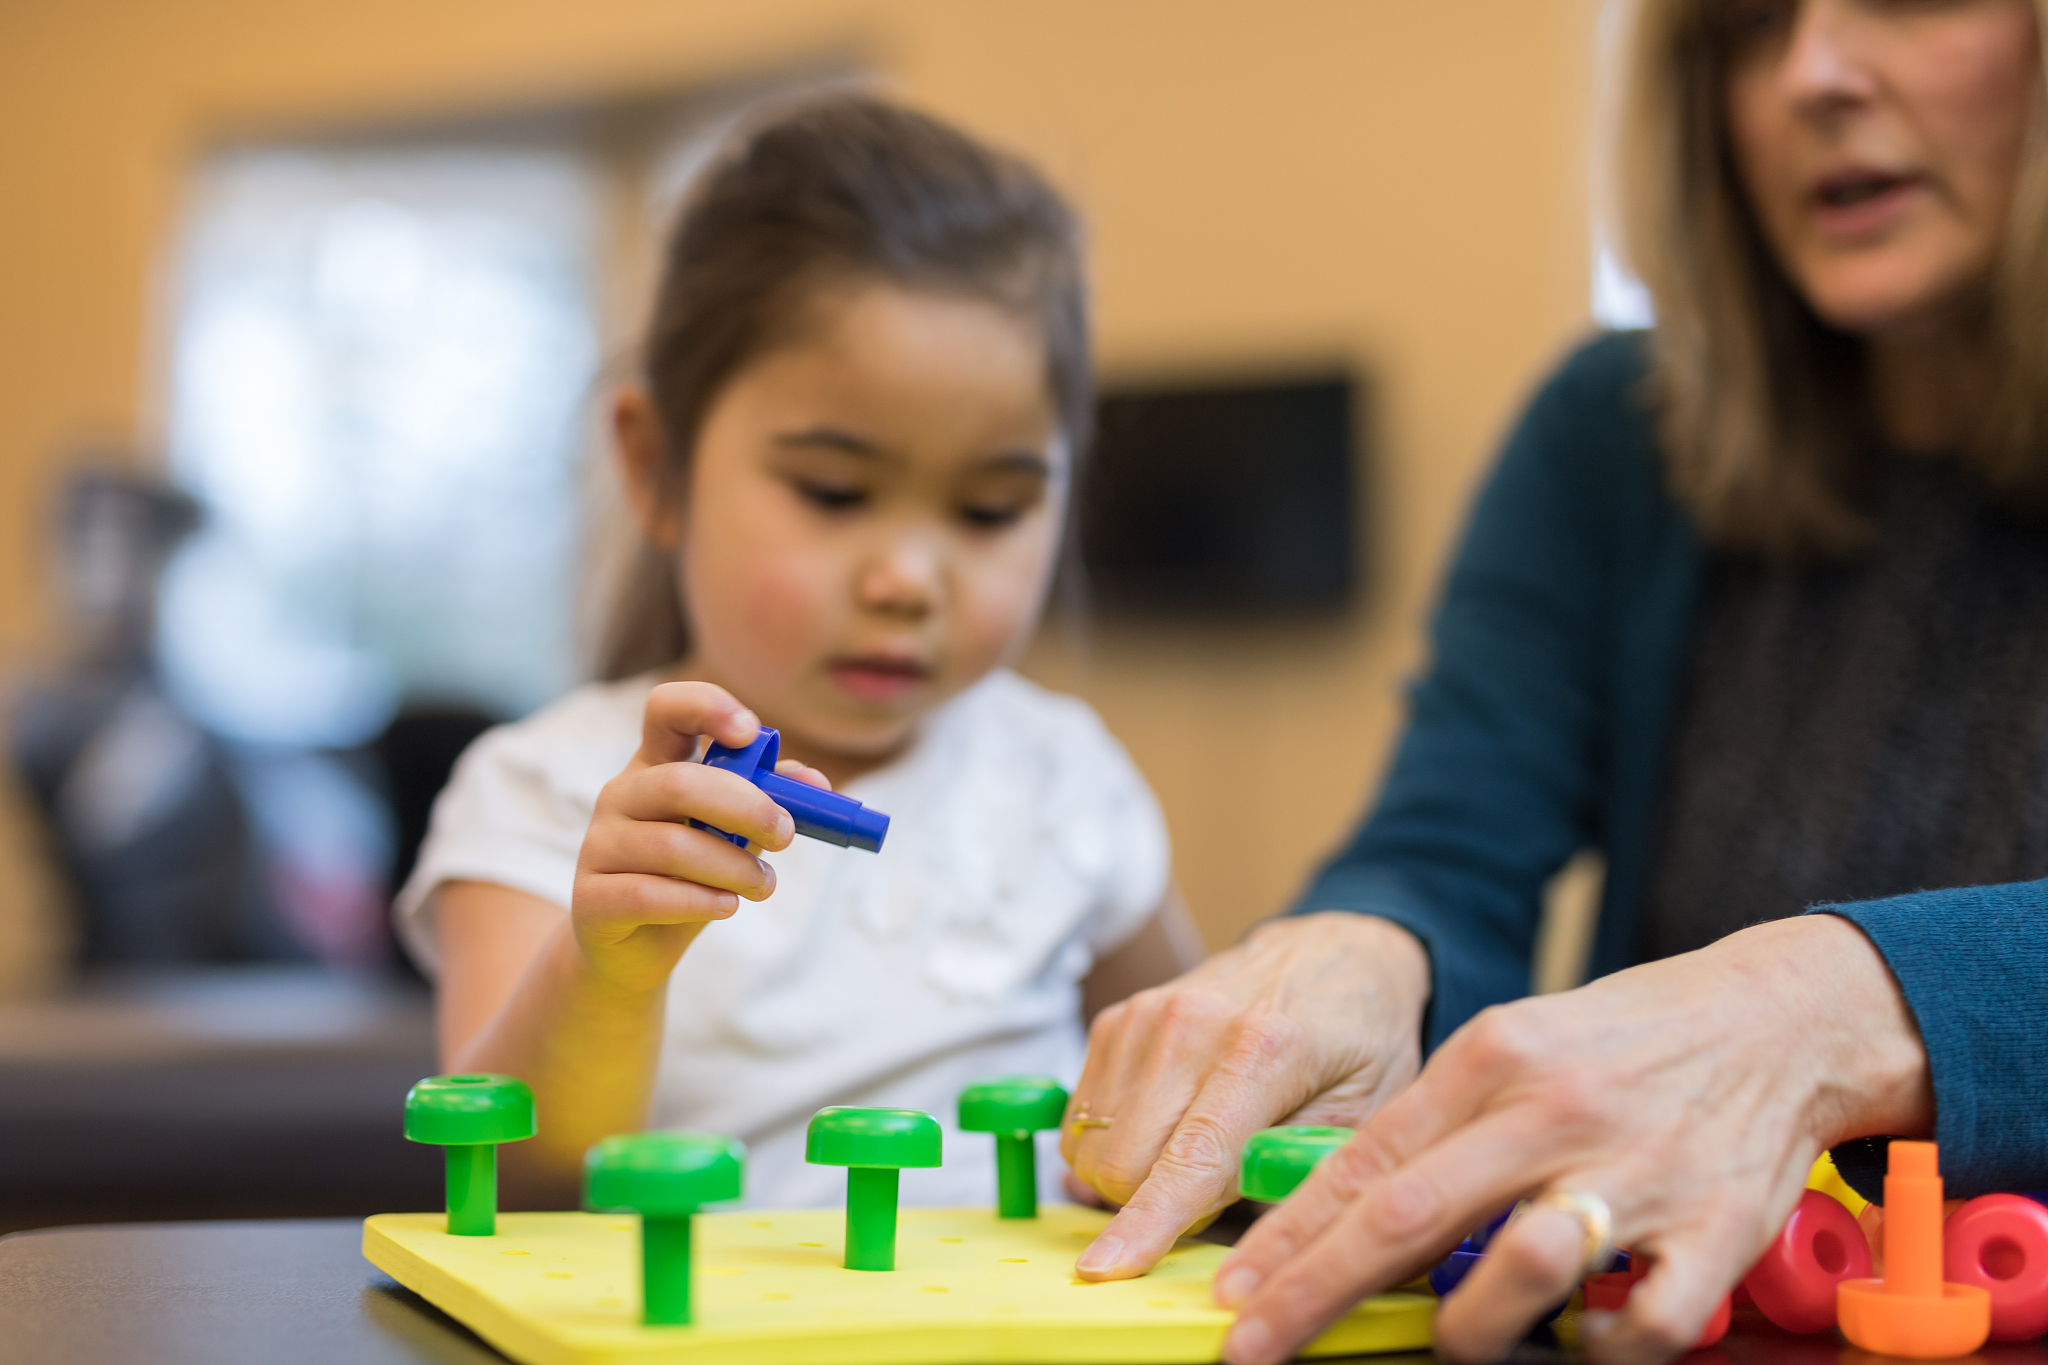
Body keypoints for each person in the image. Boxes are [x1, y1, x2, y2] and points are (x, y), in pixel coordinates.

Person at [1059, 2, 2048, 1362]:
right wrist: (1368, 948)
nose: (1809, 75)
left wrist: (1843, 1003)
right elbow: (1446, 850)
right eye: (1752, 25)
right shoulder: (1615, 432)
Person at [395, 93, 1203, 1211]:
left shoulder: (1066, 773)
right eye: (832, 492)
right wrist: (607, 966)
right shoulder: (538, 790)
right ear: (654, 466)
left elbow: (1190, 1082)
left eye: (989, 509)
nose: (908, 580)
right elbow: (519, 1180)